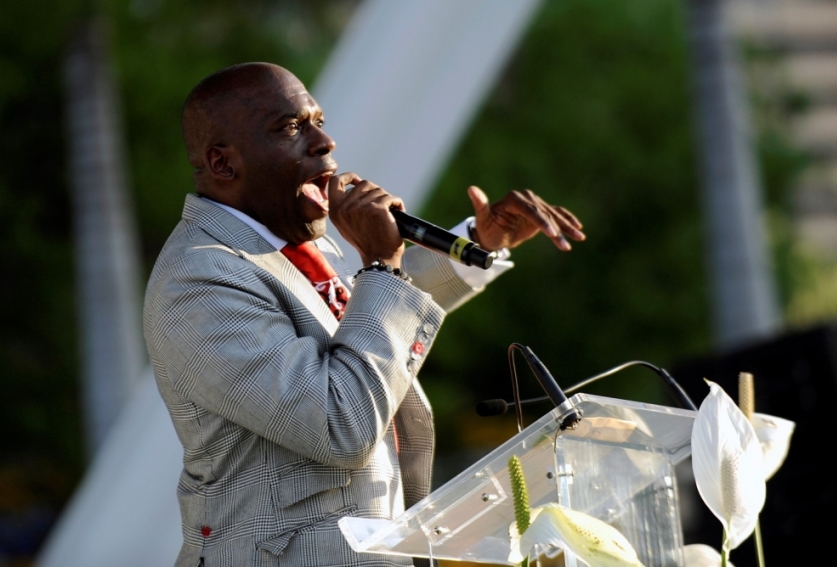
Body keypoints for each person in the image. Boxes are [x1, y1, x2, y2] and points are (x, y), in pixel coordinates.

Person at [143, 62, 585, 567]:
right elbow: (338, 423)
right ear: (223, 163)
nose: (325, 141)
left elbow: (362, 332)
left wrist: (479, 243)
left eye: (318, 120)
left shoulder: (289, 248)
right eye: (290, 128)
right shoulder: (199, 279)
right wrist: (380, 264)